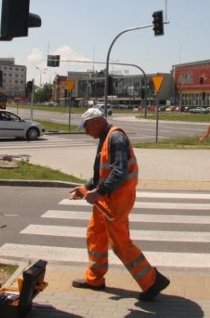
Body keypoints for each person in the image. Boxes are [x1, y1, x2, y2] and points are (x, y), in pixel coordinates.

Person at [69, 108, 170, 301]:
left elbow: (119, 173)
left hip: (117, 200)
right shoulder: (105, 138)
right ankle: (94, 279)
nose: (85, 131)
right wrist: (84, 189)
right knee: (95, 235)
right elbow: (101, 174)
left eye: (86, 127)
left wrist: (98, 192)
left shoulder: (115, 138)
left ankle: (152, 280)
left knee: (120, 244)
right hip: (106, 198)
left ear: (97, 122)